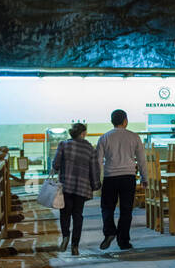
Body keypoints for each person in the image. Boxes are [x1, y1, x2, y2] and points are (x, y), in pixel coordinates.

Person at [97, 109, 146, 250]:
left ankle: (110, 232)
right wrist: (144, 177)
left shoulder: (104, 138)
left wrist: (97, 179)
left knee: (107, 207)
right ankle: (123, 241)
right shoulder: (134, 137)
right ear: (125, 121)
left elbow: (98, 161)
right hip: (128, 177)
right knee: (126, 210)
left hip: (110, 177)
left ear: (112, 121)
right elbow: (142, 160)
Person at [52, 123, 99, 255]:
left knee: (65, 213)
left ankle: (65, 236)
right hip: (82, 188)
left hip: (66, 185)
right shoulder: (89, 148)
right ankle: (75, 246)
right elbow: (95, 169)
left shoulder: (63, 145)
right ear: (83, 133)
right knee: (78, 215)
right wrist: (95, 184)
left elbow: (55, 164)